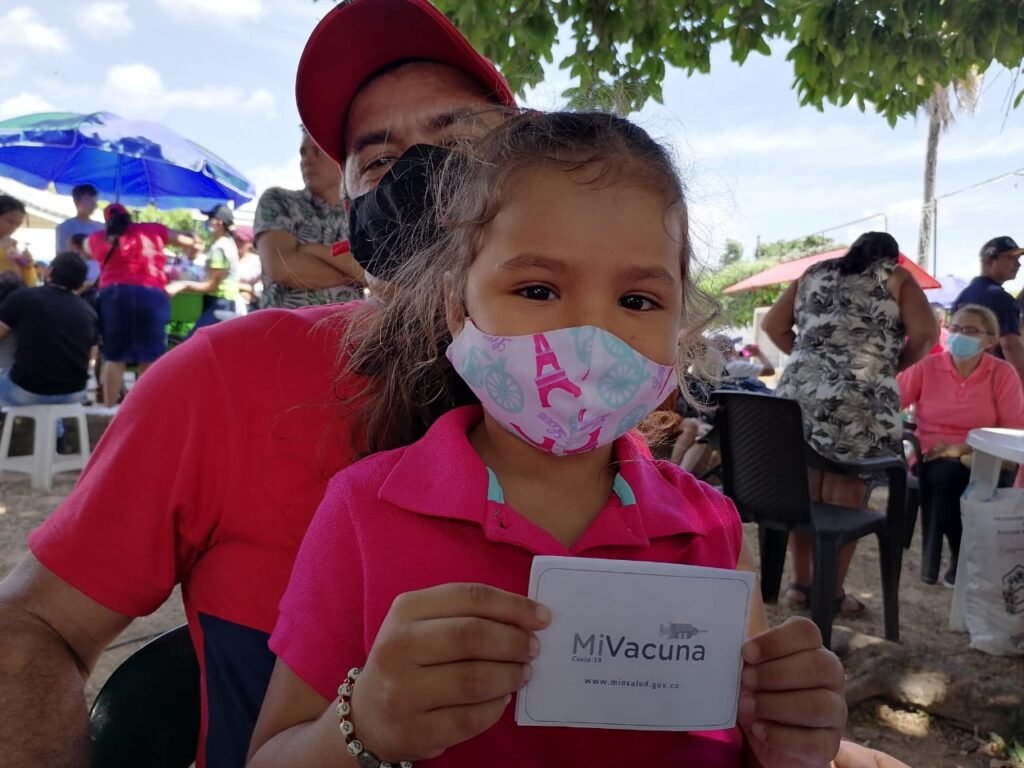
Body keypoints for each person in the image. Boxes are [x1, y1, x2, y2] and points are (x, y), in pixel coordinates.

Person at [0, 3, 903, 767]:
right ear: (346, 205)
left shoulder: (667, 490)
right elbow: (34, 628)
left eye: (457, 140)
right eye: (378, 160)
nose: (422, 179)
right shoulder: (225, 382)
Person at [248, 110, 846, 768]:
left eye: (638, 301)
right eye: (537, 289)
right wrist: (364, 726)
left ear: (681, 326)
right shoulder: (364, 512)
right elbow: (269, 754)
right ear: (457, 307)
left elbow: (739, 737)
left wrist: (783, 741)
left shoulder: (709, 528)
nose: (590, 333)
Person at [762, 232, 937, 615]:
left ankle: (800, 585)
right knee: (847, 491)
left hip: (799, 394)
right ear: (892, 258)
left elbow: (773, 327)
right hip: (860, 393)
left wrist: (814, 359)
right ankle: (831, 593)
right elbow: (926, 335)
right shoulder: (895, 277)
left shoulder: (812, 273)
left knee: (805, 489)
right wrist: (892, 365)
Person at [898, 304, 1024, 586]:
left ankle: (972, 556)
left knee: (973, 480)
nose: (959, 335)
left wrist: (962, 449)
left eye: (970, 330)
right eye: (955, 328)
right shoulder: (928, 367)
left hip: (990, 455)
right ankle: (962, 556)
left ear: (990, 340)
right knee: (948, 477)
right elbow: (893, 399)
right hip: (933, 455)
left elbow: (1014, 431)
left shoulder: (1002, 374)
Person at [85, 204, 196, 406]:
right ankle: (146, 409)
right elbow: (188, 241)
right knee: (150, 355)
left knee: (114, 356)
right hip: (151, 293)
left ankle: (110, 409)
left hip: (115, 296)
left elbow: (85, 250)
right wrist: (192, 242)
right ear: (128, 216)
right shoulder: (152, 229)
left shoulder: (97, 238)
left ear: (107, 220)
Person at [255, 132, 363, 308]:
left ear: (341, 158)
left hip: (349, 323)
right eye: (303, 153)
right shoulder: (279, 200)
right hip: (287, 323)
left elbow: (377, 274)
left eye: (318, 152)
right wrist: (353, 274)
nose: (306, 160)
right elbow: (281, 268)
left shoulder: (360, 212)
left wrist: (314, 250)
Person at [0, 252, 96, 407]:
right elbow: (92, 354)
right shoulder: (88, 311)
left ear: (50, 271)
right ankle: (55, 424)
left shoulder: (23, 297)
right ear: (81, 282)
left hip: (27, 390)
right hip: (74, 393)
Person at [954, 236, 1024, 381]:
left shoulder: (964, 296)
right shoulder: (1000, 298)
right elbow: (1010, 346)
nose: (1018, 264)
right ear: (990, 261)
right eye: (1011, 259)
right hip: (996, 379)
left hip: (965, 376)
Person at [166, 203, 242, 332]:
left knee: (194, 341)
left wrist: (181, 285)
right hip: (225, 303)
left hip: (220, 303)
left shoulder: (219, 248)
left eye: (209, 219)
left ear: (219, 222)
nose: (207, 222)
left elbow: (211, 285)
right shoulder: (227, 243)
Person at [0, 194, 37, 287]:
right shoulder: (6, 246)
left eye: (18, 224)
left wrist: (27, 266)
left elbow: (30, 285)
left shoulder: (11, 247)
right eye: (9, 221)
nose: (13, 228)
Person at [54, 184, 103, 254]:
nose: (94, 204)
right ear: (76, 202)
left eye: (94, 200)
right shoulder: (64, 227)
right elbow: (61, 255)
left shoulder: (101, 228)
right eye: (88, 200)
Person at [235, 224, 263, 312]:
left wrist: (251, 291)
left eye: (241, 240)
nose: (237, 243)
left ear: (250, 243)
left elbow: (262, 287)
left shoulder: (257, 261)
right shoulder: (229, 258)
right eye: (235, 239)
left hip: (249, 305)